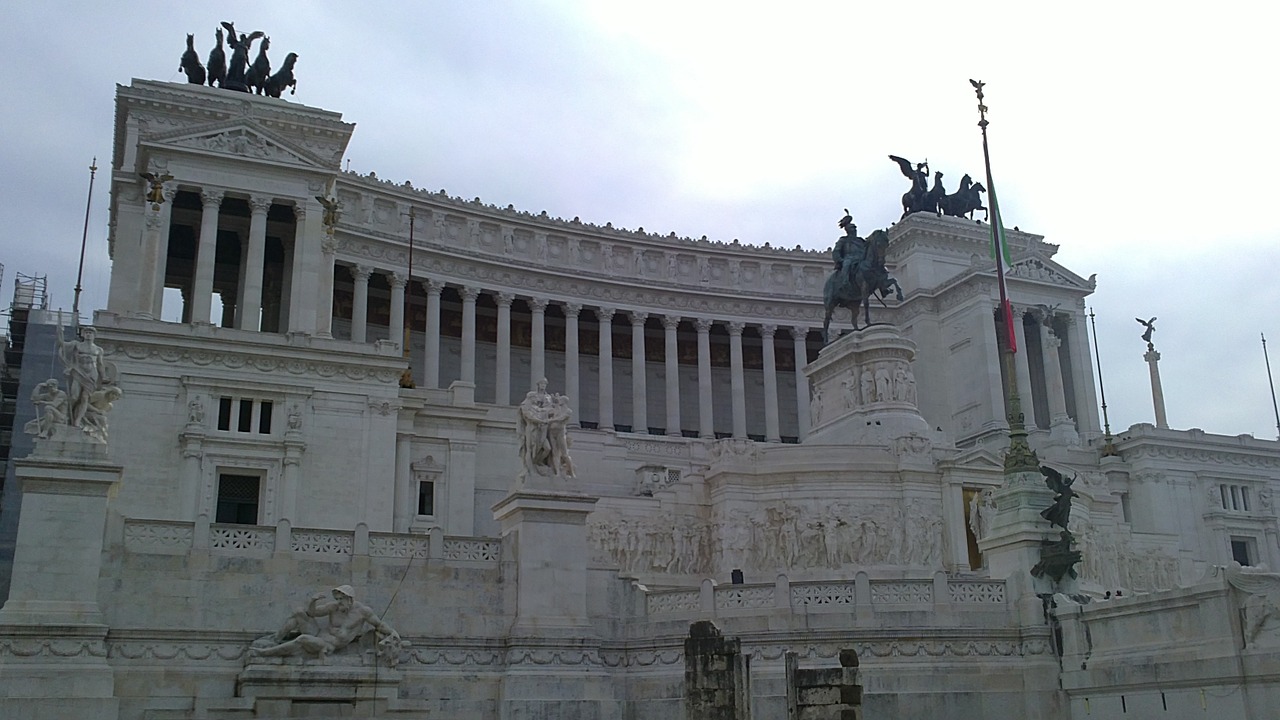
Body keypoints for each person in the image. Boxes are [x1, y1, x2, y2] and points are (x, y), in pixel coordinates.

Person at [250, 585, 401, 660]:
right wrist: (313, 601)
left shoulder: (363, 611)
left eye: (342, 598)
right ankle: (276, 639)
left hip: (329, 645)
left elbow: (379, 625)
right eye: (337, 598)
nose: (338, 601)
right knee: (298, 613)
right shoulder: (333, 607)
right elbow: (312, 613)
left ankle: (265, 653)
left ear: (350, 599)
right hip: (319, 634)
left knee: (302, 639)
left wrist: (393, 633)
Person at [55, 322, 112, 429]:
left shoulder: (98, 349)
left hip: (92, 375)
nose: (88, 334)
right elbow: (61, 344)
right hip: (78, 372)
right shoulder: (76, 344)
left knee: (85, 398)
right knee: (74, 396)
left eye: (90, 333)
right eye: (86, 332)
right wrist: (59, 332)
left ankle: (78, 420)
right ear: (83, 334)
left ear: (94, 335)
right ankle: (66, 415)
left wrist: (103, 376)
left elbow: (100, 364)